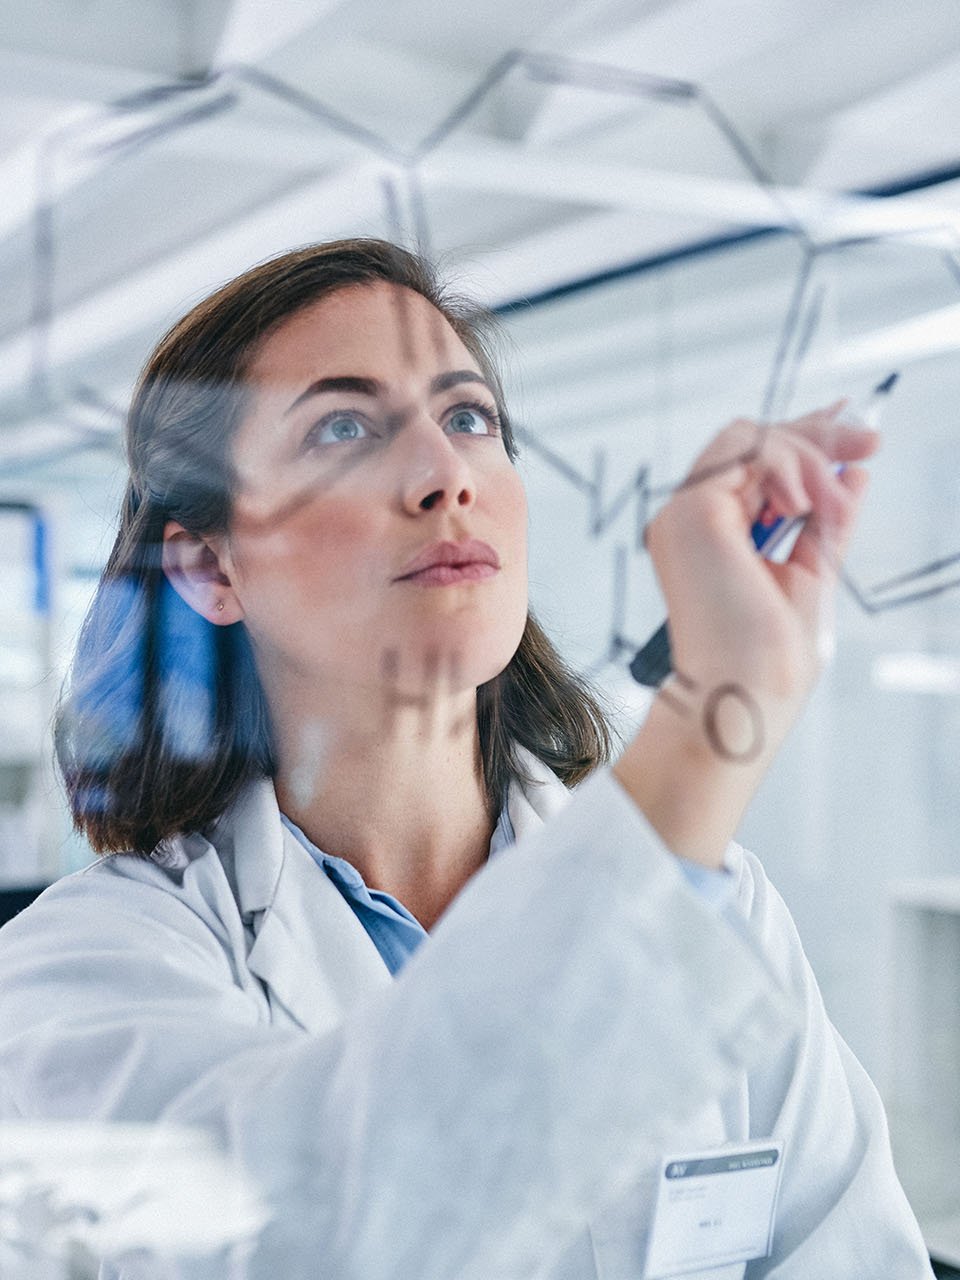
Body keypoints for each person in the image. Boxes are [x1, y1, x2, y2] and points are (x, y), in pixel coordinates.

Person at [0, 239, 933, 1279]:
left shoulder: (721, 906)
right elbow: (303, 1239)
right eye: (343, 427)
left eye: (468, 417)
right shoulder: (85, 967)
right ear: (212, 563)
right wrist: (715, 716)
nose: (444, 474)